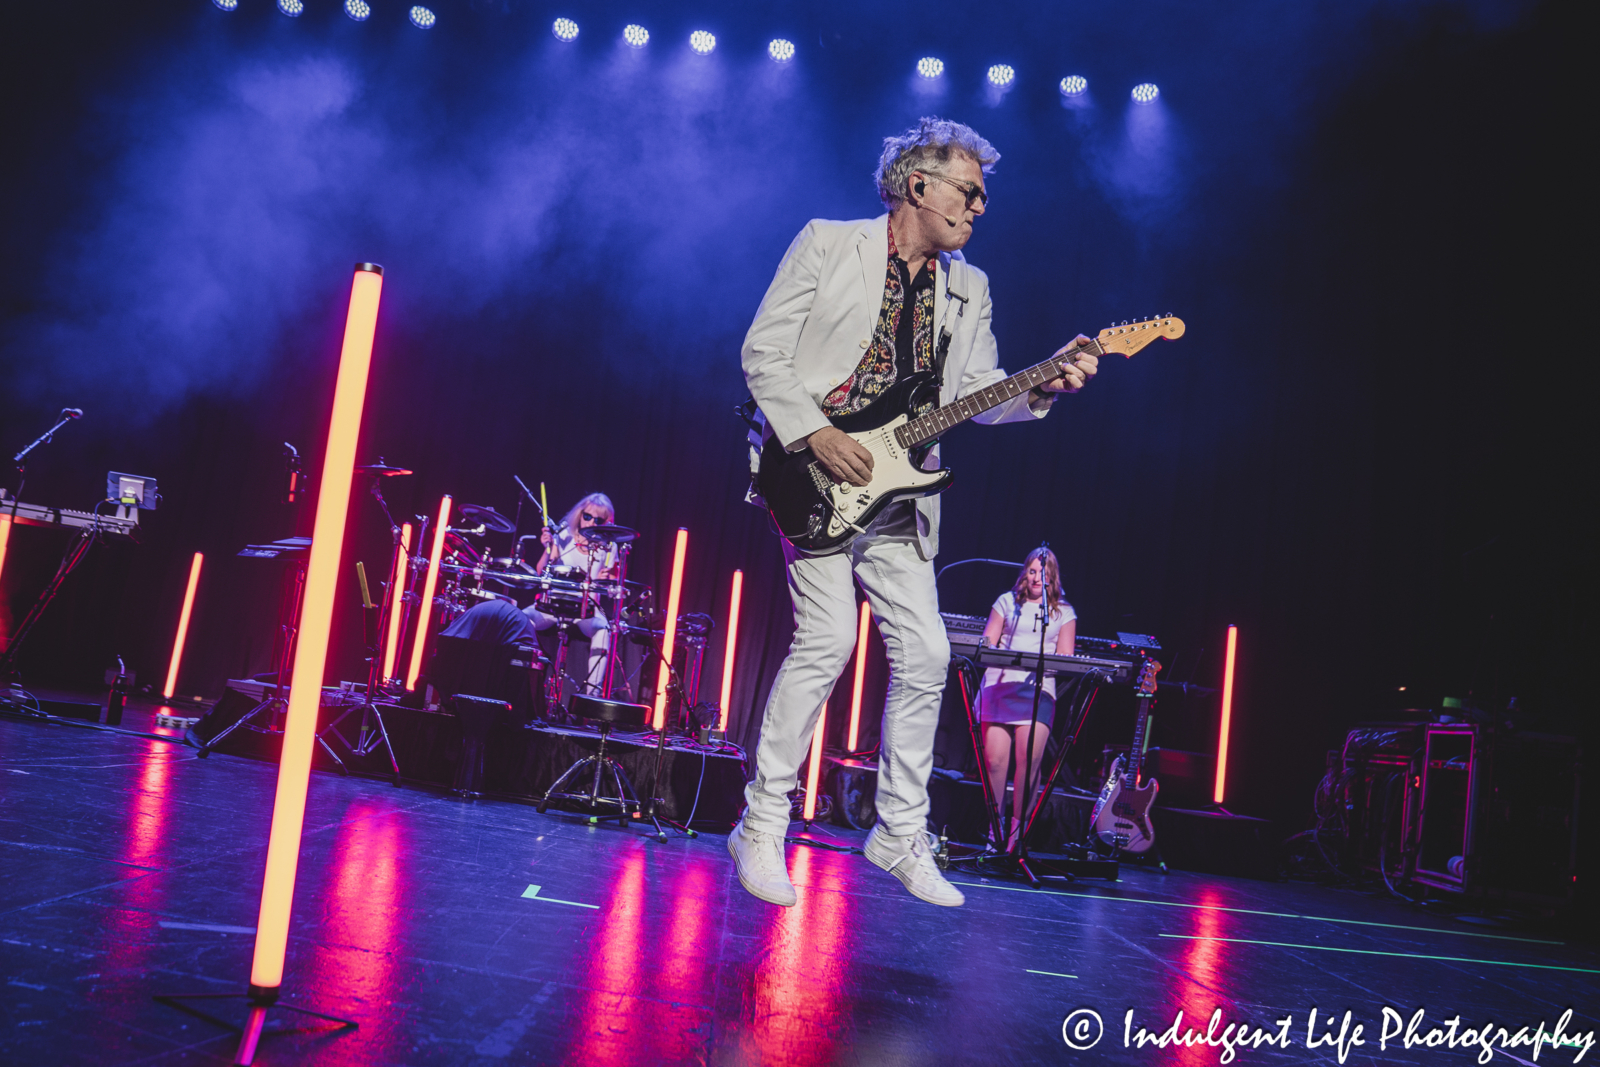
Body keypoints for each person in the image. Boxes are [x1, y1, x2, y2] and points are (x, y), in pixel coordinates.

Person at [729, 117, 1099, 908]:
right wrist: (817, 433)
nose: (981, 206)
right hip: (810, 475)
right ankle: (762, 821)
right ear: (917, 185)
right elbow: (763, 351)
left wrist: (1042, 384)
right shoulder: (829, 243)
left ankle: (898, 831)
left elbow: (979, 395)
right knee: (826, 639)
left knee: (929, 653)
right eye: (972, 190)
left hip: (901, 494)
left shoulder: (972, 287)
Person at [978, 548, 1075, 852]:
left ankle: (1017, 834)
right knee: (994, 761)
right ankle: (995, 831)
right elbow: (988, 643)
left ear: (1052, 578)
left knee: (1029, 761)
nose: (1036, 578)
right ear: (1024, 573)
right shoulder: (1006, 603)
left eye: (1043, 574)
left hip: (1038, 692)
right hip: (1000, 687)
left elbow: (1067, 658)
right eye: (1032, 571)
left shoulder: (1064, 613)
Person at [524, 492, 619, 693]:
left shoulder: (609, 546)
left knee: (604, 629)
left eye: (598, 519)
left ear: (606, 522)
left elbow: (612, 583)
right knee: (522, 619)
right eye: (587, 516)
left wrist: (609, 577)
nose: (591, 522)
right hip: (552, 605)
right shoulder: (564, 535)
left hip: (586, 610)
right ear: (579, 514)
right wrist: (548, 548)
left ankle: (591, 695)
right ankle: (525, 682)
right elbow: (541, 572)